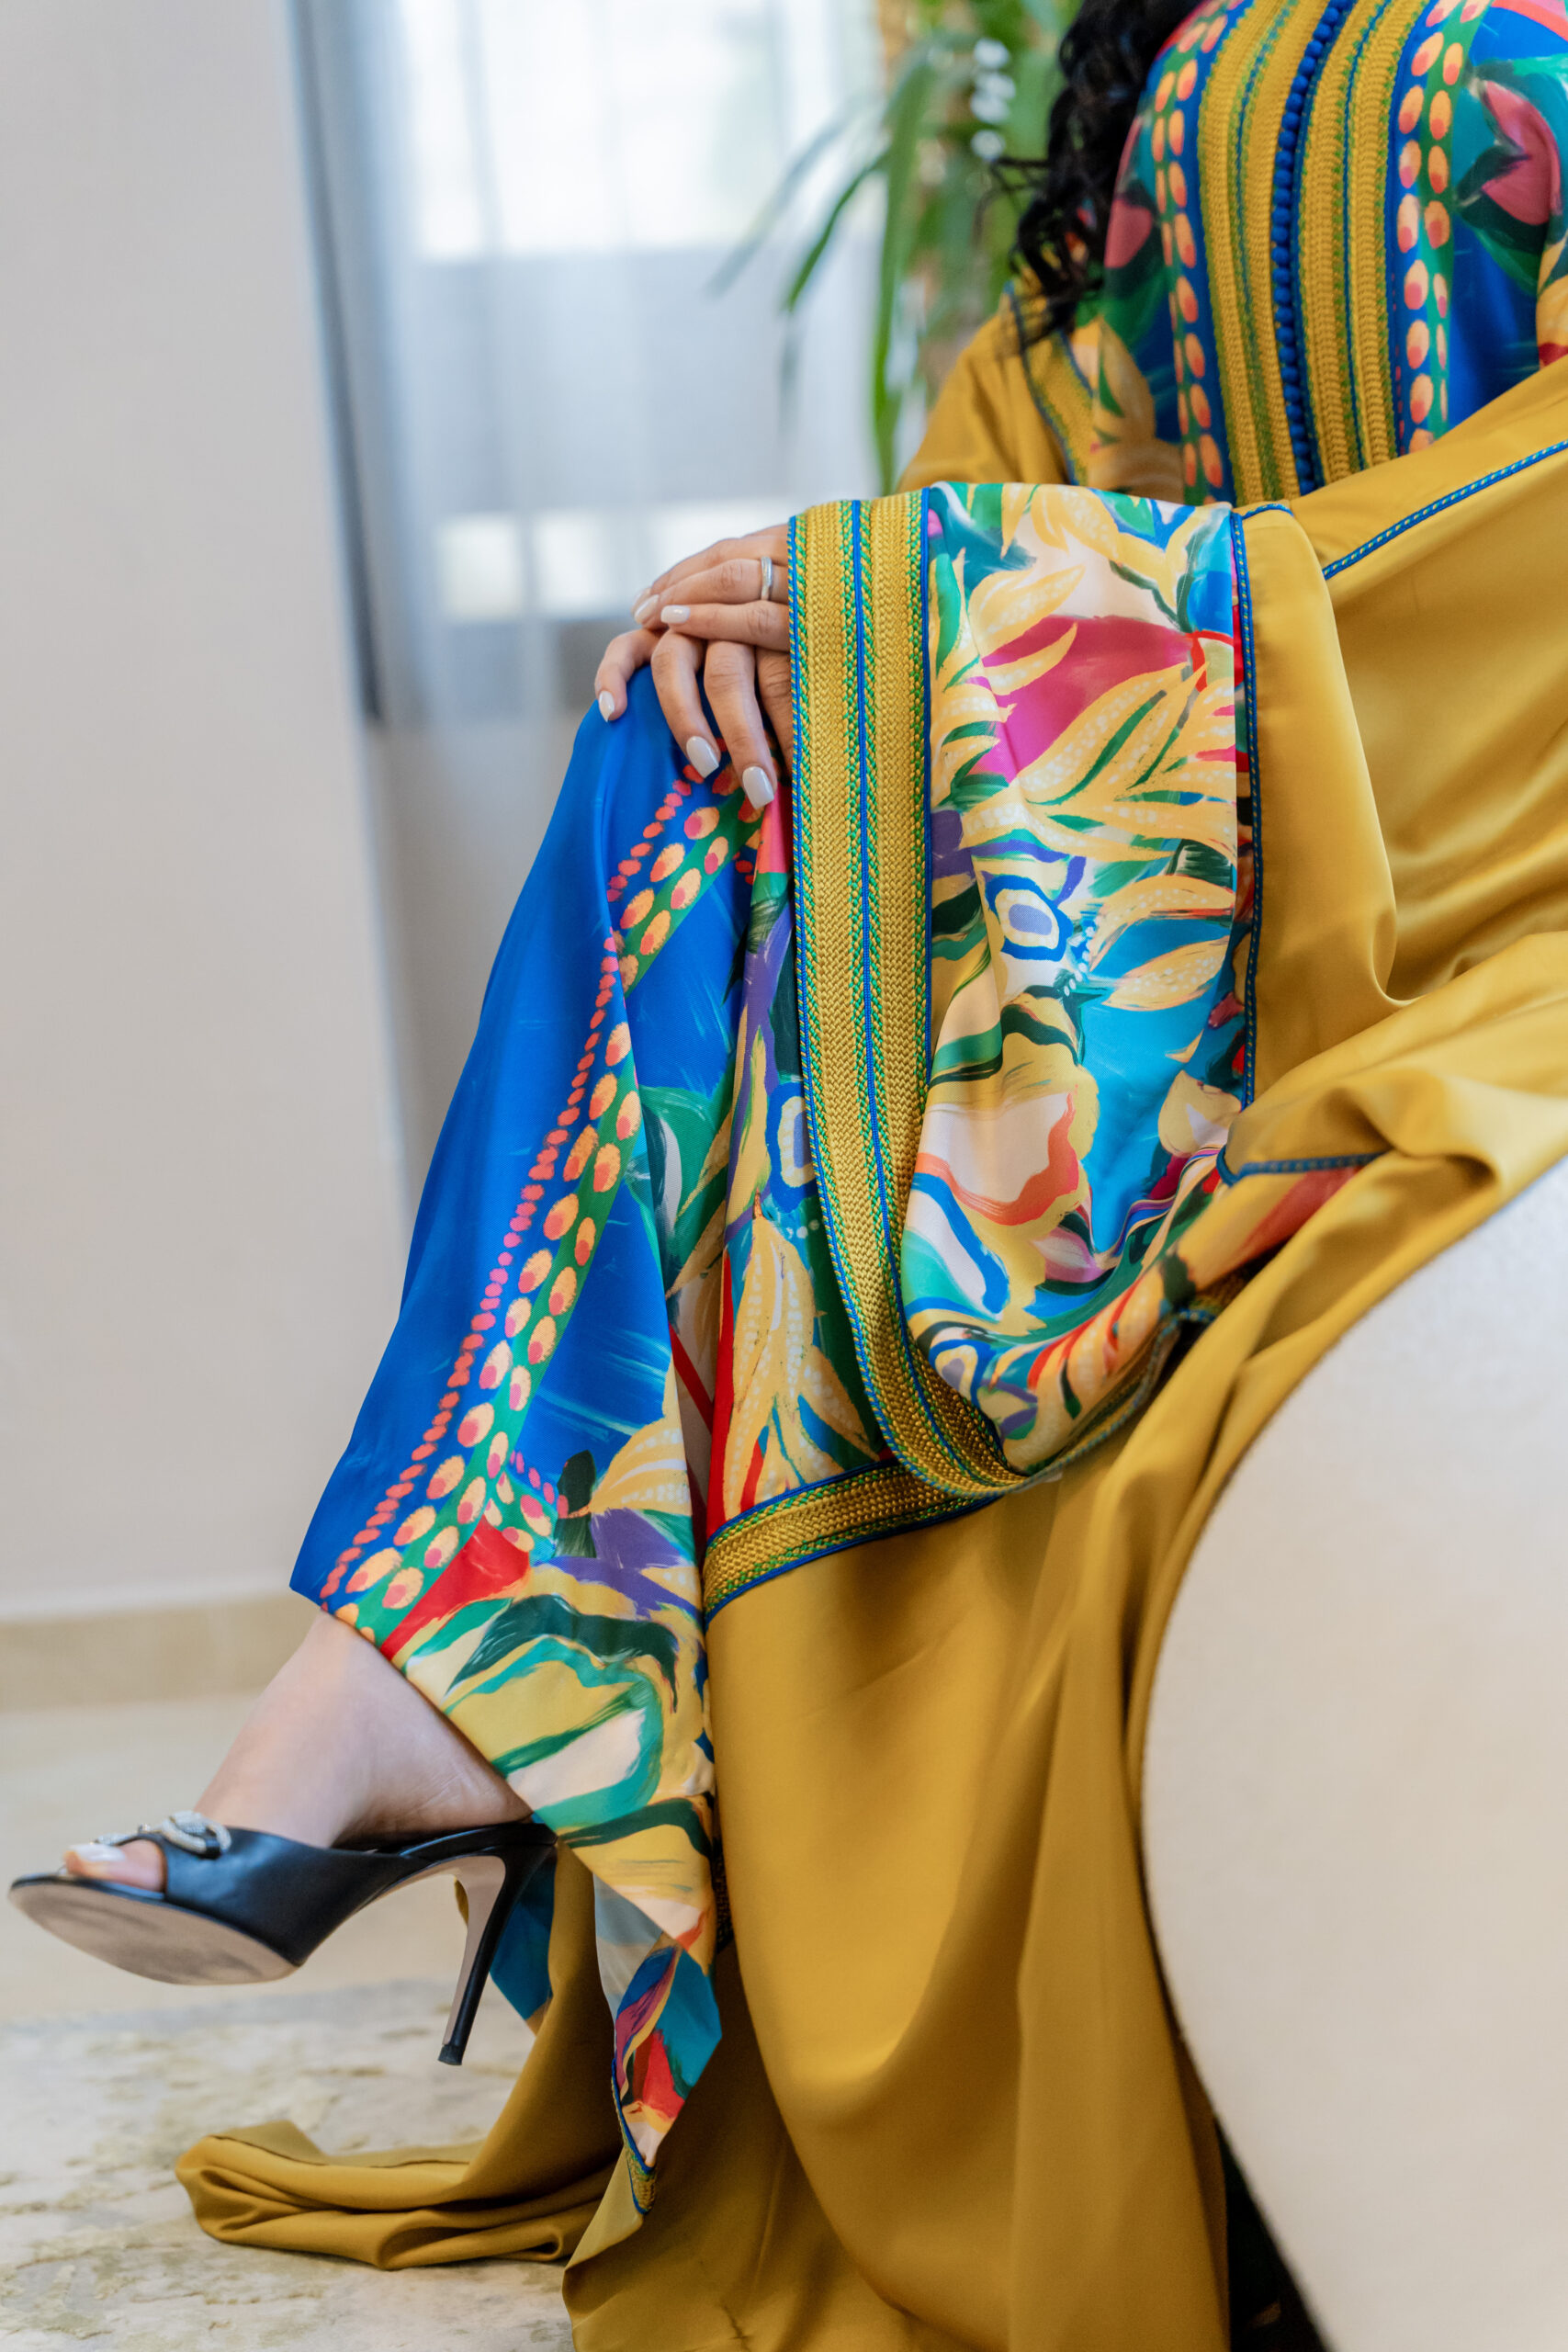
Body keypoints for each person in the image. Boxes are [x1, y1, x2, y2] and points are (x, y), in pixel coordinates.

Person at [13, 0, 1568, 2342]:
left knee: (850, 662)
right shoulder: (1179, 79)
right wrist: (829, 608)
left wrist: (977, 611)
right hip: (1175, 845)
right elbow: (1016, 448)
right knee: (724, 717)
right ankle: (418, 1669)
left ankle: (420, 1680)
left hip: (1469, 835)